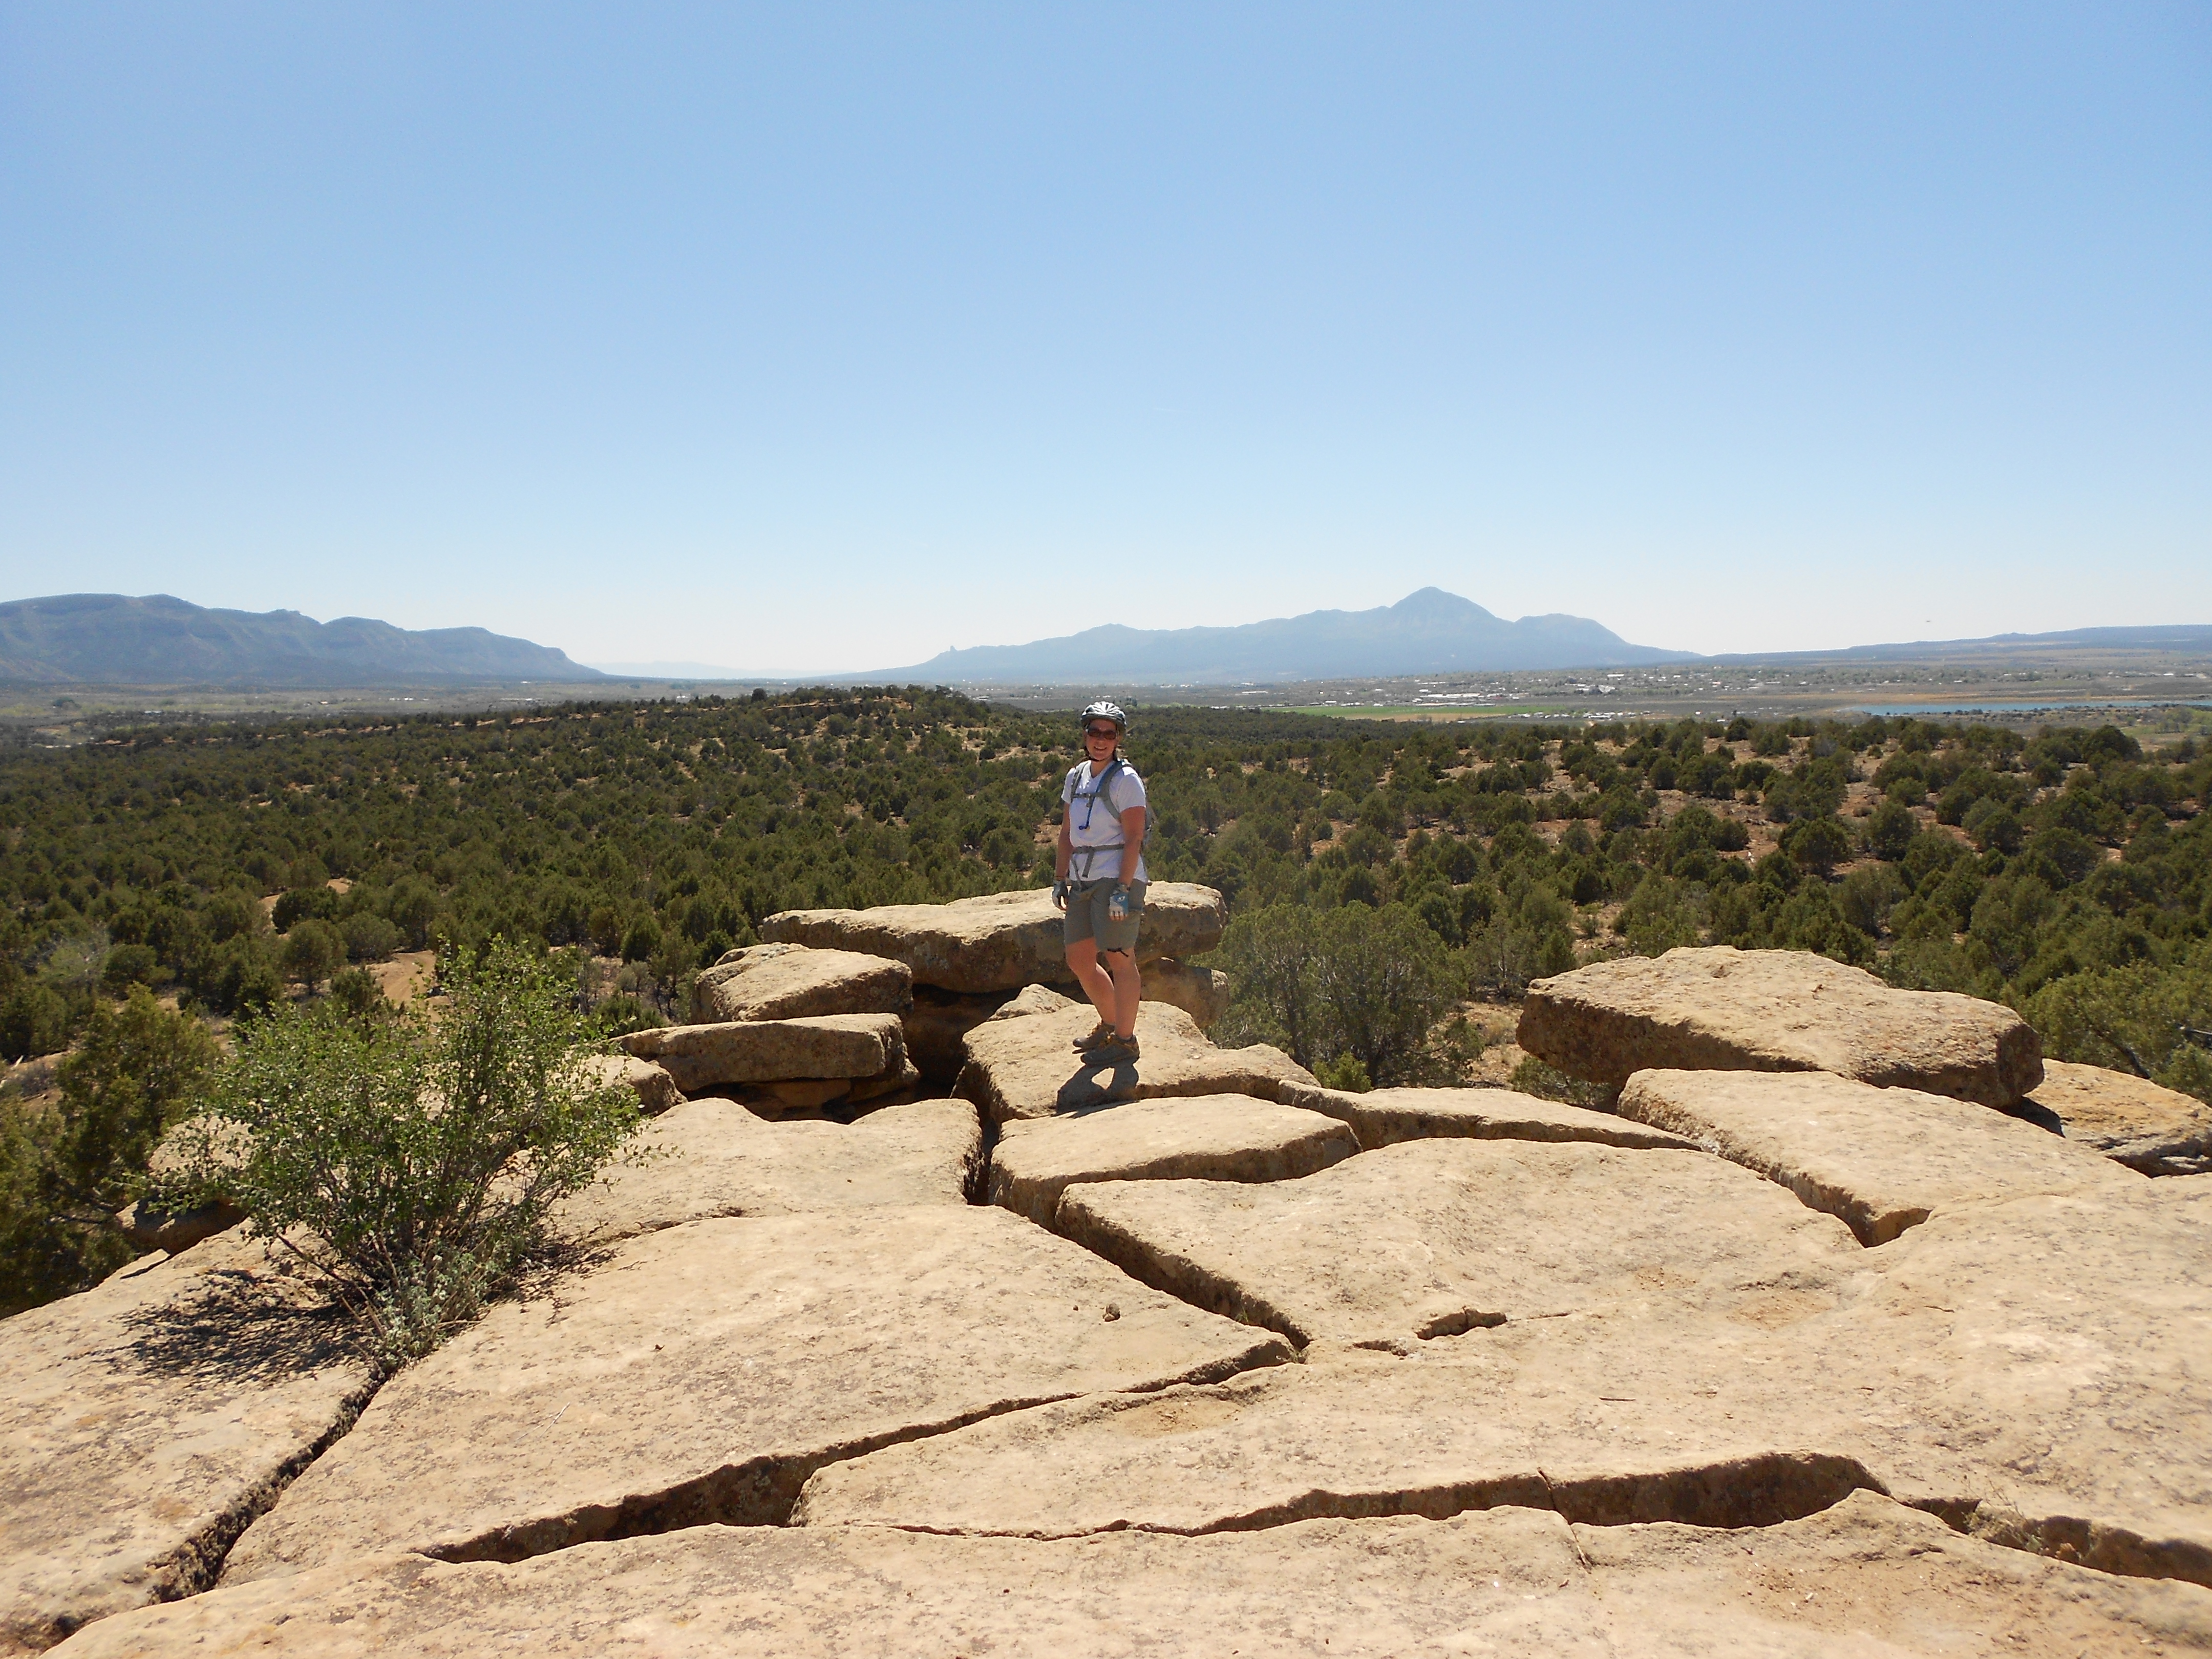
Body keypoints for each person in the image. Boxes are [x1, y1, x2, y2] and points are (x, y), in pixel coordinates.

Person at [1052, 700, 1148, 1064]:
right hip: (1082, 877)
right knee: (1078, 958)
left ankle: (1125, 1041)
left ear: (1118, 739)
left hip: (1116, 876)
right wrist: (1060, 877)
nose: (1101, 740)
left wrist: (1123, 890)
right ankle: (1110, 1024)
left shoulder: (1127, 781)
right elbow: (1065, 832)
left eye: (1109, 733)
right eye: (1095, 731)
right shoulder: (1076, 777)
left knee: (1120, 958)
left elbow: (1134, 837)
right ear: (1085, 734)